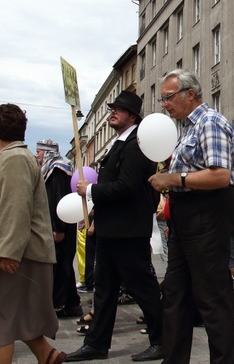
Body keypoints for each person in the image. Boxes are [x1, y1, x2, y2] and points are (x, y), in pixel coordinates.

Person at [0, 104, 65, 364]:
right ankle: (47, 356)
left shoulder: (13, 158)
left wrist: (8, 252)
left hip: (18, 254)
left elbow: (15, 207)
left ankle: (45, 355)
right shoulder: (16, 157)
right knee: (14, 317)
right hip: (23, 251)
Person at [148, 69, 234, 364]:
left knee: (211, 298)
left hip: (207, 214)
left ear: (190, 94)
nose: (164, 104)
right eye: (162, 98)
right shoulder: (186, 128)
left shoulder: (210, 122)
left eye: (168, 97)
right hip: (186, 216)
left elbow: (221, 176)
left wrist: (175, 179)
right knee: (174, 294)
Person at [66, 92, 163, 362]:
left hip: (128, 232)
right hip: (112, 230)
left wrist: (92, 190)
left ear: (132, 116)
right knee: (104, 290)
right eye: (112, 108)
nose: (112, 113)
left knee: (142, 287)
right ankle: (96, 343)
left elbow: (127, 187)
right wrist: (96, 214)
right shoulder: (117, 143)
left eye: (119, 110)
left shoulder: (135, 144)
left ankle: (162, 338)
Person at [35, 139, 82, 319]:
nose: (37, 155)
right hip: (57, 225)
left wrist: (58, 228)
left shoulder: (57, 170)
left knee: (61, 265)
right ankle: (71, 303)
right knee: (63, 265)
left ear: (47, 152)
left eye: (39, 152)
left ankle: (59, 303)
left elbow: (57, 199)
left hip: (60, 227)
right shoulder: (51, 169)